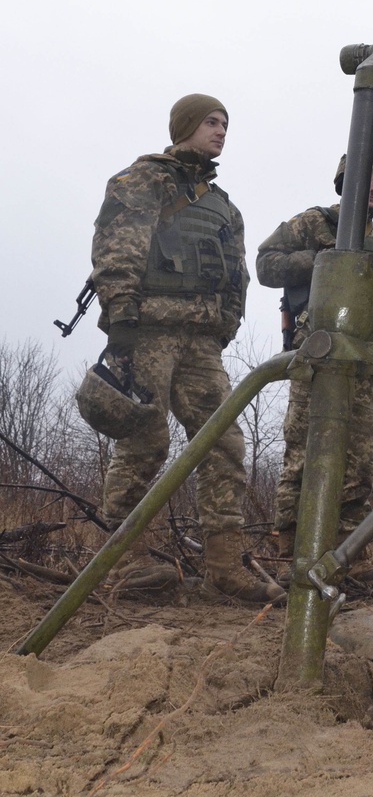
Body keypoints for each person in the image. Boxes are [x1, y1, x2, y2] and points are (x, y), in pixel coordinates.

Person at [87, 93, 284, 603]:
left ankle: (224, 567)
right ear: (186, 126)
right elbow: (117, 246)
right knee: (144, 441)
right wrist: (122, 316)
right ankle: (123, 561)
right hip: (148, 328)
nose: (220, 131)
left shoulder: (223, 204)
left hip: (201, 341)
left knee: (224, 442)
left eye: (225, 123)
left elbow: (236, 272)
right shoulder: (143, 179)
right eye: (211, 122)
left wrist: (227, 325)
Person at [255, 150, 373, 558]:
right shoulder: (312, 223)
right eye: (368, 178)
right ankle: (291, 555)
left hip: (366, 362)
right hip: (317, 356)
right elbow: (265, 265)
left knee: (359, 464)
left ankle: (346, 556)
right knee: (301, 457)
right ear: (345, 182)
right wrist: (319, 261)